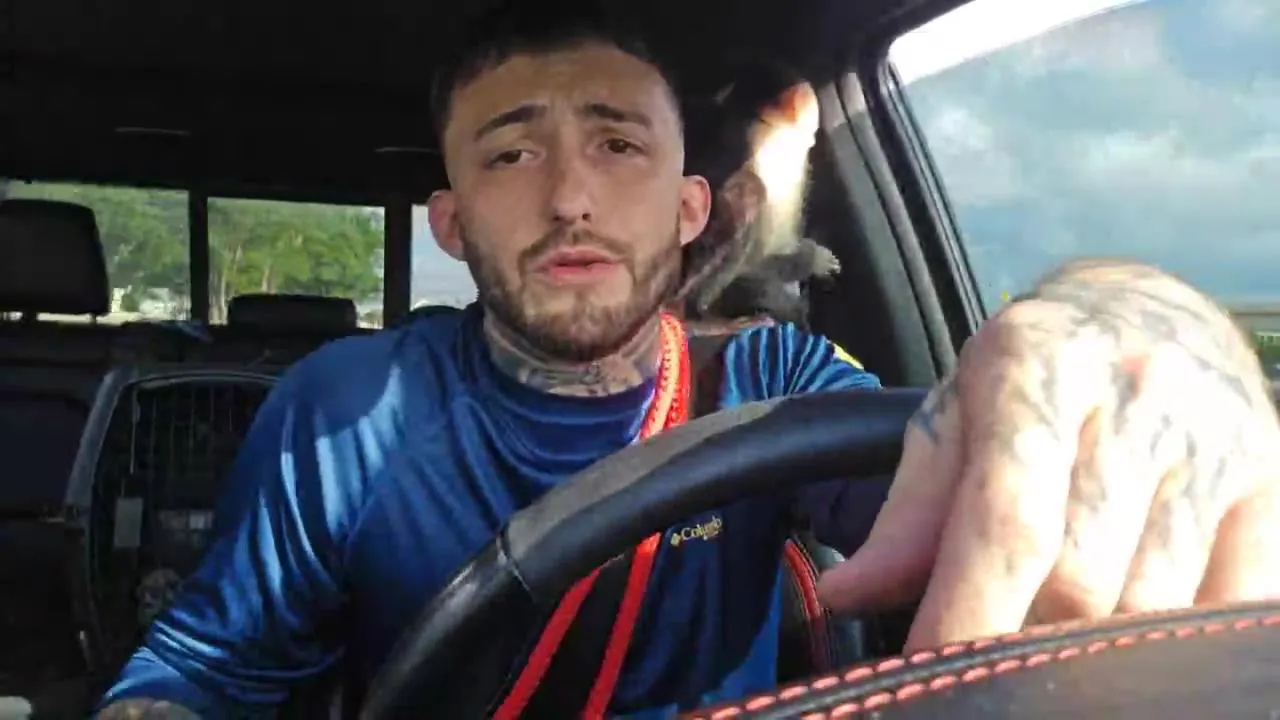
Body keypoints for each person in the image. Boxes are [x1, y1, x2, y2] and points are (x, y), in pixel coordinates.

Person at [97, 4, 1280, 719]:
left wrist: (1129, 317)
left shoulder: (778, 382)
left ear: (687, 209)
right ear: (449, 224)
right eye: (510, 156)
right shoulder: (349, 406)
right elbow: (205, 668)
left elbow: (967, 476)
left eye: (617, 147)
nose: (569, 198)